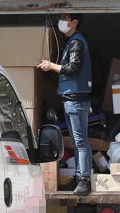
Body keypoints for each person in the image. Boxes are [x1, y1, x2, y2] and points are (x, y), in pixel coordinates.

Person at [38, 13, 92, 196]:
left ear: (75, 22)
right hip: (70, 98)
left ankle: (84, 179)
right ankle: (79, 177)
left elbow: (73, 69)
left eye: (65, 18)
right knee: (77, 142)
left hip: (77, 98)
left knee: (80, 141)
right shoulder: (71, 42)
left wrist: (51, 66)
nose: (62, 21)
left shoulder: (77, 42)